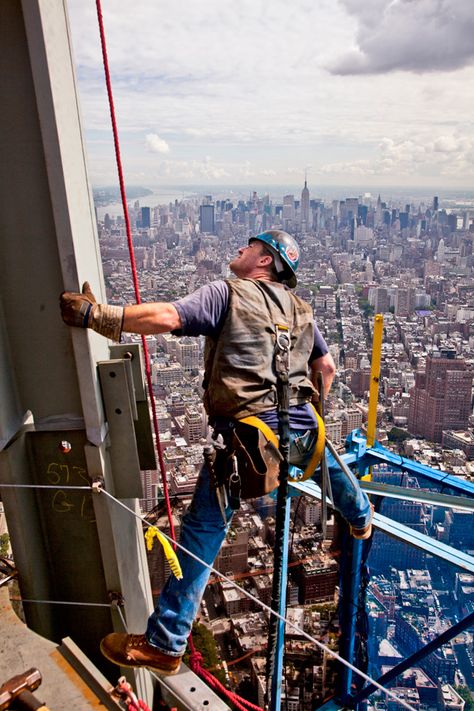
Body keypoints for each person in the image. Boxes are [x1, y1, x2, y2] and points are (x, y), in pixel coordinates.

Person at [60, 230, 372, 676]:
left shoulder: (227, 294)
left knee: (203, 532)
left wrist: (99, 315)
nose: (238, 250)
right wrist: (307, 411)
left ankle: (165, 643)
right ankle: (360, 516)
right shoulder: (301, 310)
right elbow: (326, 367)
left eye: (247, 247)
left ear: (264, 261)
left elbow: (168, 317)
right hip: (303, 430)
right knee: (324, 460)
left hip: (244, 441)